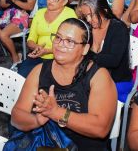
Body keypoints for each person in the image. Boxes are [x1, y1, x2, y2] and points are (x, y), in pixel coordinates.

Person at [11, 18, 117, 150]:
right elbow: (16, 116)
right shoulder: (39, 71)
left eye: (70, 41)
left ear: (85, 49)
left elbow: (101, 128)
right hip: (45, 144)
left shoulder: (98, 77)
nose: (60, 44)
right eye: (58, 38)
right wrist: (37, 120)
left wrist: (56, 112)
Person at [78, 0, 132, 102]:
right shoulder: (88, 28)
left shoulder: (118, 28)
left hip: (116, 81)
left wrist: (87, 55)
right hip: (93, 79)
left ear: (105, 10)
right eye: (85, 16)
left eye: (91, 15)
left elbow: (113, 60)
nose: (88, 19)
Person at [18, 0, 77, 77]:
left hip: (60, 58)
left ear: (64, 1)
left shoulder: (69, 14)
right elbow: (30, 39)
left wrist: (48, 51)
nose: (50, 1)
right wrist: (36, 47)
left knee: (45, 80)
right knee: (21, 76)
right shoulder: (39, 13)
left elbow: (71, 44)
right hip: (38, 55)